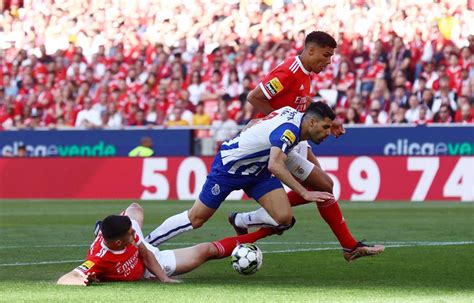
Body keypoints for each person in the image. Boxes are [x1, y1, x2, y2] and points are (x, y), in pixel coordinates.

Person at [244, 31, 384, 261]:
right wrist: (280, 122)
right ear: (310, 50)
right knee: (324, 185)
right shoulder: (288, 72)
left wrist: (329, 121)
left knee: (324, 187)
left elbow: (302, 101)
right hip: (281, 138)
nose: (328, 62)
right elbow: (254, 97)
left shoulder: (305, 73)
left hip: (297, 136)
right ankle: (349, 246)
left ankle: (246, 219)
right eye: (326, 55)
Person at [145, 102, 336, 247]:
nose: (328, 132)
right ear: (311, 122)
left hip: (257, 169)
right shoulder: (290, 130)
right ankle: (146, 246)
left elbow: (256, 121)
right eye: (326, 127)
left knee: (284, 218)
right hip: (230, 168)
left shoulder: (292, 114)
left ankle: (240, 219)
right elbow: (275, 165)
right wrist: (305, 193)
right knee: (196, 218)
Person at [57, 203, 274, 286]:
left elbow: (144, 251)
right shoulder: (99, 258)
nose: (135, 233)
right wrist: (82, 281)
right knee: (206, 250)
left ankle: (104, 226)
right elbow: (64, 279)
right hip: (143, 272)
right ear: (117, 241)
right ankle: (266, 231)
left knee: (135, 208)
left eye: (134, 231)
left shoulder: (130, 237)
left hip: (152, 260)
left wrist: (164, 278)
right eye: (130, 233)